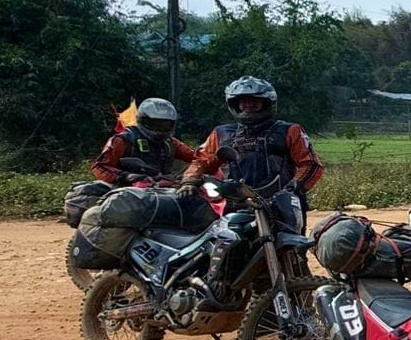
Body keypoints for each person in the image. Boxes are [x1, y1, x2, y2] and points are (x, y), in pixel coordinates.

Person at [182, 77, 325, 298]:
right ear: (235, 104)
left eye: (254, 102)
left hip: (281, 207)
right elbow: (201, 160)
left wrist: (293, 188)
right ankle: (238, 306)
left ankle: (300, 307)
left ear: (267, 104)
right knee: (234, 257)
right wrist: (190, 180)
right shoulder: (222, 134)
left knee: (292, 255)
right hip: (239, 206)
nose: (248, 106)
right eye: (243, 102)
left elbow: (311, 164)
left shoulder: (289, 131)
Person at [91, 97, 198, 184]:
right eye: (155, 124)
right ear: (142, 120)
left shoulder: (171, 143)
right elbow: (99, 166)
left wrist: (195, 174)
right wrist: (126, 176)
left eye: (165, 125)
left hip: (161, 190)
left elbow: (198, 158)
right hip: (125, 190)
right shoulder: (124, 140)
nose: (159, 129)